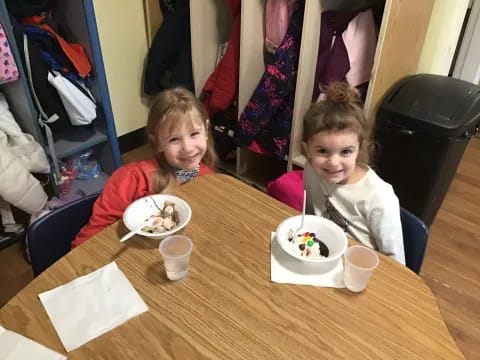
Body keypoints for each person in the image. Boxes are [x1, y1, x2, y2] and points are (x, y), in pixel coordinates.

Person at [72, 87, 217, 247]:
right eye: (174, 139)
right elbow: (89, 240)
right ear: (158, 143)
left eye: (194, 134)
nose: (188, 148)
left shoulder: (207, 177)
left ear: (206, 130)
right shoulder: (131, 178)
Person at [302, 82, 405, 264]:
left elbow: (396, 262)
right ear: (307, 150)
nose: (333, 163)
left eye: (346, 152)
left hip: (358, 267)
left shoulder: (379, 196)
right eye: (322, 151)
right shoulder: (311, 170)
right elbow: (312, 218)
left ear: (360, 149)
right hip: (322, 257)